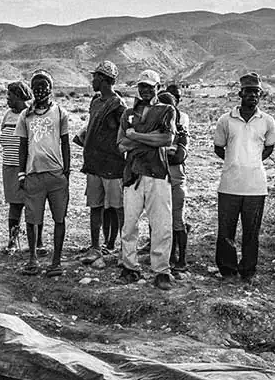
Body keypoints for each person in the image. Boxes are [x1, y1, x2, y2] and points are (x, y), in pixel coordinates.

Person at [213, 72, 275, 285]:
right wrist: (234, 162)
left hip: (256, 186)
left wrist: (252, 162)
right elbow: (218, 147)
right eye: (248, 91)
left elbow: (269, 147)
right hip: (229, 184)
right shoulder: (225, 120)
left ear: (261, 95)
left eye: (256, 92)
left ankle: (248, 271)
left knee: (251, 232)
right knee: (226, 231)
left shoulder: (267, 121)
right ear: (240, 93)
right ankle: (228, 270)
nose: (252, 95)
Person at [118, 69, 176, 290]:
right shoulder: (128, 113)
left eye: (150, 87)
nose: (145, 90)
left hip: (157, 172)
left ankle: (161, 270)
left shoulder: (166, 110)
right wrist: (149, 138)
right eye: (142, 86)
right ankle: (129, 266)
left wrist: (135, 136)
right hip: (133, 173)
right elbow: (121, 145)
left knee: (161, 224)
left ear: (158, 88)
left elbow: (167, 138)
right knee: (130, 223)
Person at [15, 69, 71, 277]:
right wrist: (21, 174)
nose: (39, 90)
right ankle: (32, 259)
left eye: (43, 86)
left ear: (50, 89)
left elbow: (65, 143)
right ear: (31, 89)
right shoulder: (25, 115)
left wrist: (66, 171)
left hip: (56, 174)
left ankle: (56, 262)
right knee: (32, 219)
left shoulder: (60, 113)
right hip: (33, 174)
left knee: (59, 218)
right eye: (36, 87)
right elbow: (23, 146)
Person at [75, 60, 126, 263]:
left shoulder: (118, 105)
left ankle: (125, 249)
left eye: (95, 77)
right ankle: (95, 247)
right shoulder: (95, 102)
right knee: (95, 207)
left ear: (103, 79)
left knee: (118, 208)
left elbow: (124, 133)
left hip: (112, 166)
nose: (92, 81)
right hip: (94, 164)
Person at [0, 80, 40, 254]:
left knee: (33, 205)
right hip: (9, 166)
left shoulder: (31, 114)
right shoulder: (7, 115)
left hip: (28, 167)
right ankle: (12, 241)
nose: (7, 99)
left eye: (10, 95)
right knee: (14, 206)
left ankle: (37, 243)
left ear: (19, 96)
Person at [164, 83, 191, 275]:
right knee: (161, 219)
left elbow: (179, 156)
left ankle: (181, 258)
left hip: (174, 176)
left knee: (177, 220)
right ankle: (169, 255)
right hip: (162, 176)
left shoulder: (180, 127)